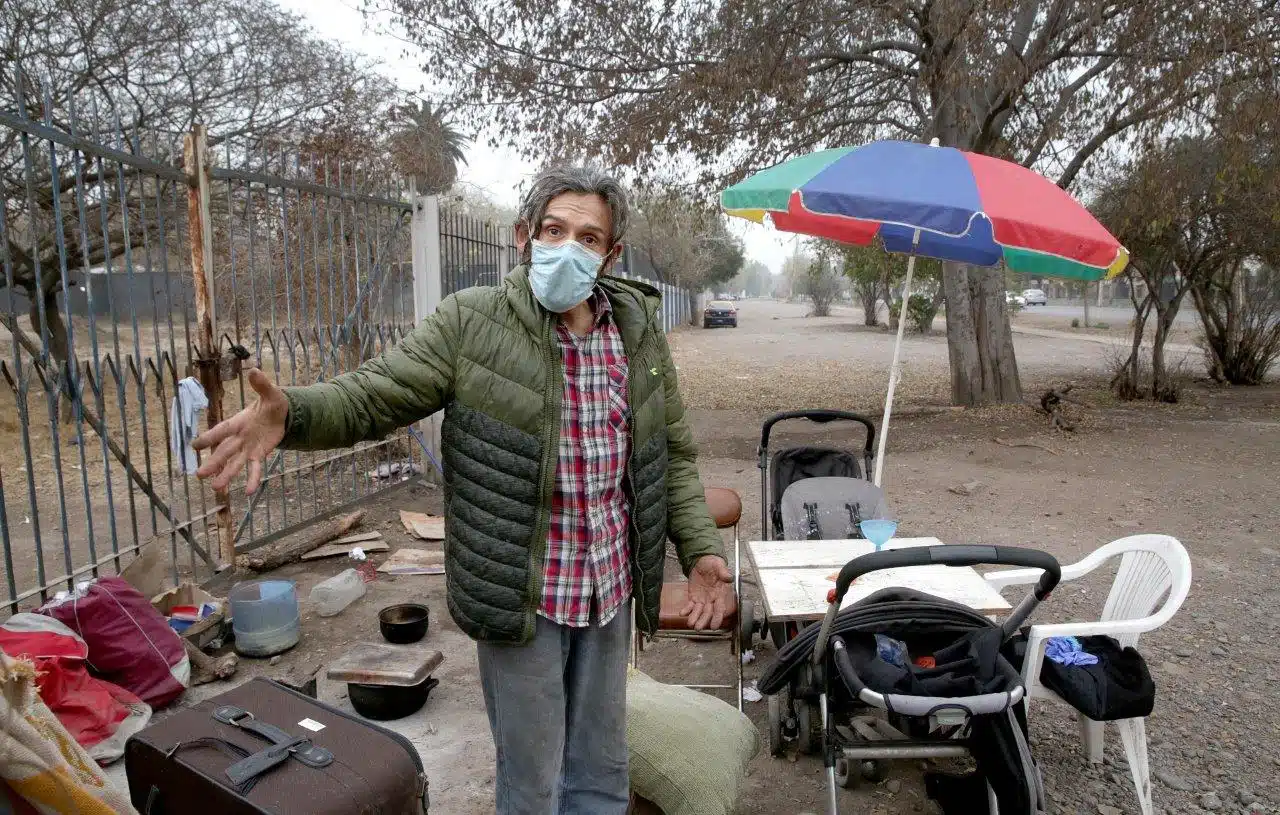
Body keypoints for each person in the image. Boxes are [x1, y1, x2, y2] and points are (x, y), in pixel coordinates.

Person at [192, 165, 732, 815]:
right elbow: (374, 395)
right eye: (554, 230)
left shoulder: (638, 332)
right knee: (532, 782)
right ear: (523, 237)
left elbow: (670, 454)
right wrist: (295, 414)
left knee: (602, 769)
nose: (567, 247)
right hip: (521, 600)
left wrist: (701, 548)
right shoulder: (471, 324)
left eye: (588, 238)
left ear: (612, 254)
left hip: (610, 592)